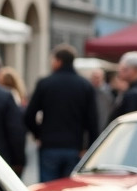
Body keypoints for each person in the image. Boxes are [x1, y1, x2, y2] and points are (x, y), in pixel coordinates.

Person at [24, 44, 100, 183]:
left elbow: (29, 115)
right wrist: (88, 148)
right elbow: (92, 121)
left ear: (58, 61)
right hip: (74, 146)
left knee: (48, 189)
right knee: (69, 189)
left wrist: (38, 135)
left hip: (49, 145)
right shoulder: (85, 85)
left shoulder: (45, 83)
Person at [89, 68, 114, 133]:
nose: (96, 79)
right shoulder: (88, 90)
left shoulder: (108, 91)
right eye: (95, 77)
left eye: (98, 77)